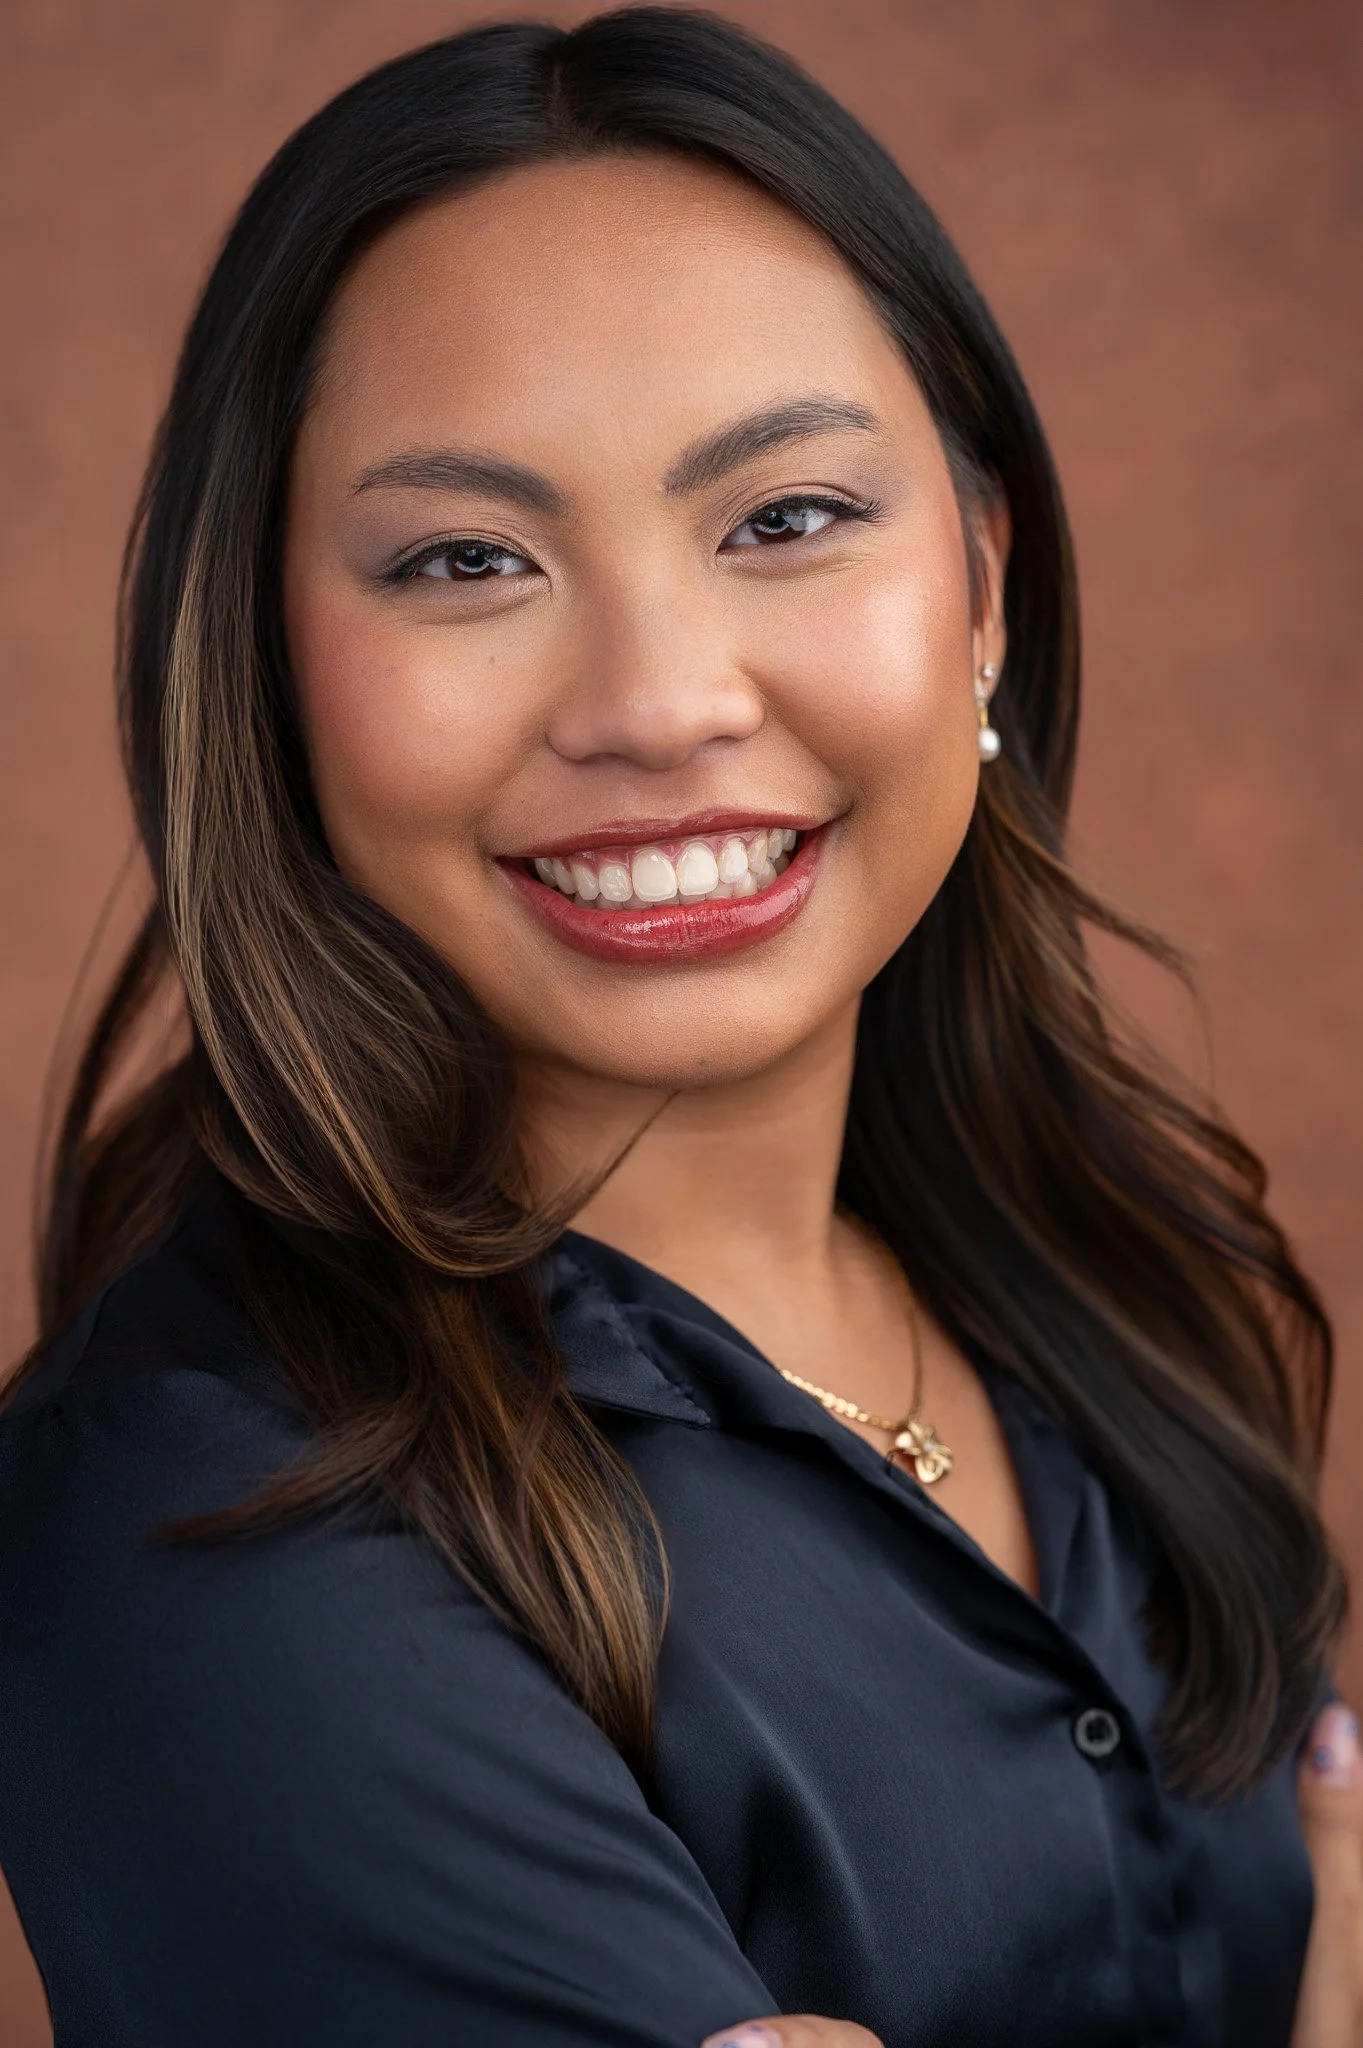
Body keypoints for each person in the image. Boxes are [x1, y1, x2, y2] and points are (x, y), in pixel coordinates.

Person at [0, 11, 1357, 2046]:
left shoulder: (1107, 1283)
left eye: (788, 516)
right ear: (265, 670)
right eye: (467, 559)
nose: (656, 699)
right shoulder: (213, 1520)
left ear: (980, 587)